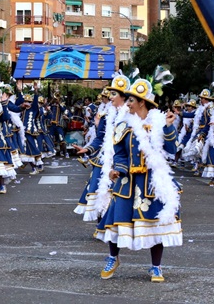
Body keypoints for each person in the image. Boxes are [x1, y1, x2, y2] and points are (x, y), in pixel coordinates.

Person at [95, 69, 182, 283]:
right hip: (127, 182)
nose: (128, 104)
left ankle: (155, 267)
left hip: (152, 182)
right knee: (115, 221)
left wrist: (169, 128)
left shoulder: (161, 123)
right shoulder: (124, 125)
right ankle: (112, 258)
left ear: (142, 102)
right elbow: (121, 153)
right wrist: (118, 169)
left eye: (131, 100)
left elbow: (172, 150)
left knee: (156, 223)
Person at [74, 74, 131, 221]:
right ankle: (102, 226)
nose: (110, 97)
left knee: (117, 194)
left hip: (122, 160)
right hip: (104, 159)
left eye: (114, 94)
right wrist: (87, 149)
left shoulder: (132, 116)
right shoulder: (106, 116)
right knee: (99, 192)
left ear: (123, 96)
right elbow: (100, 138)